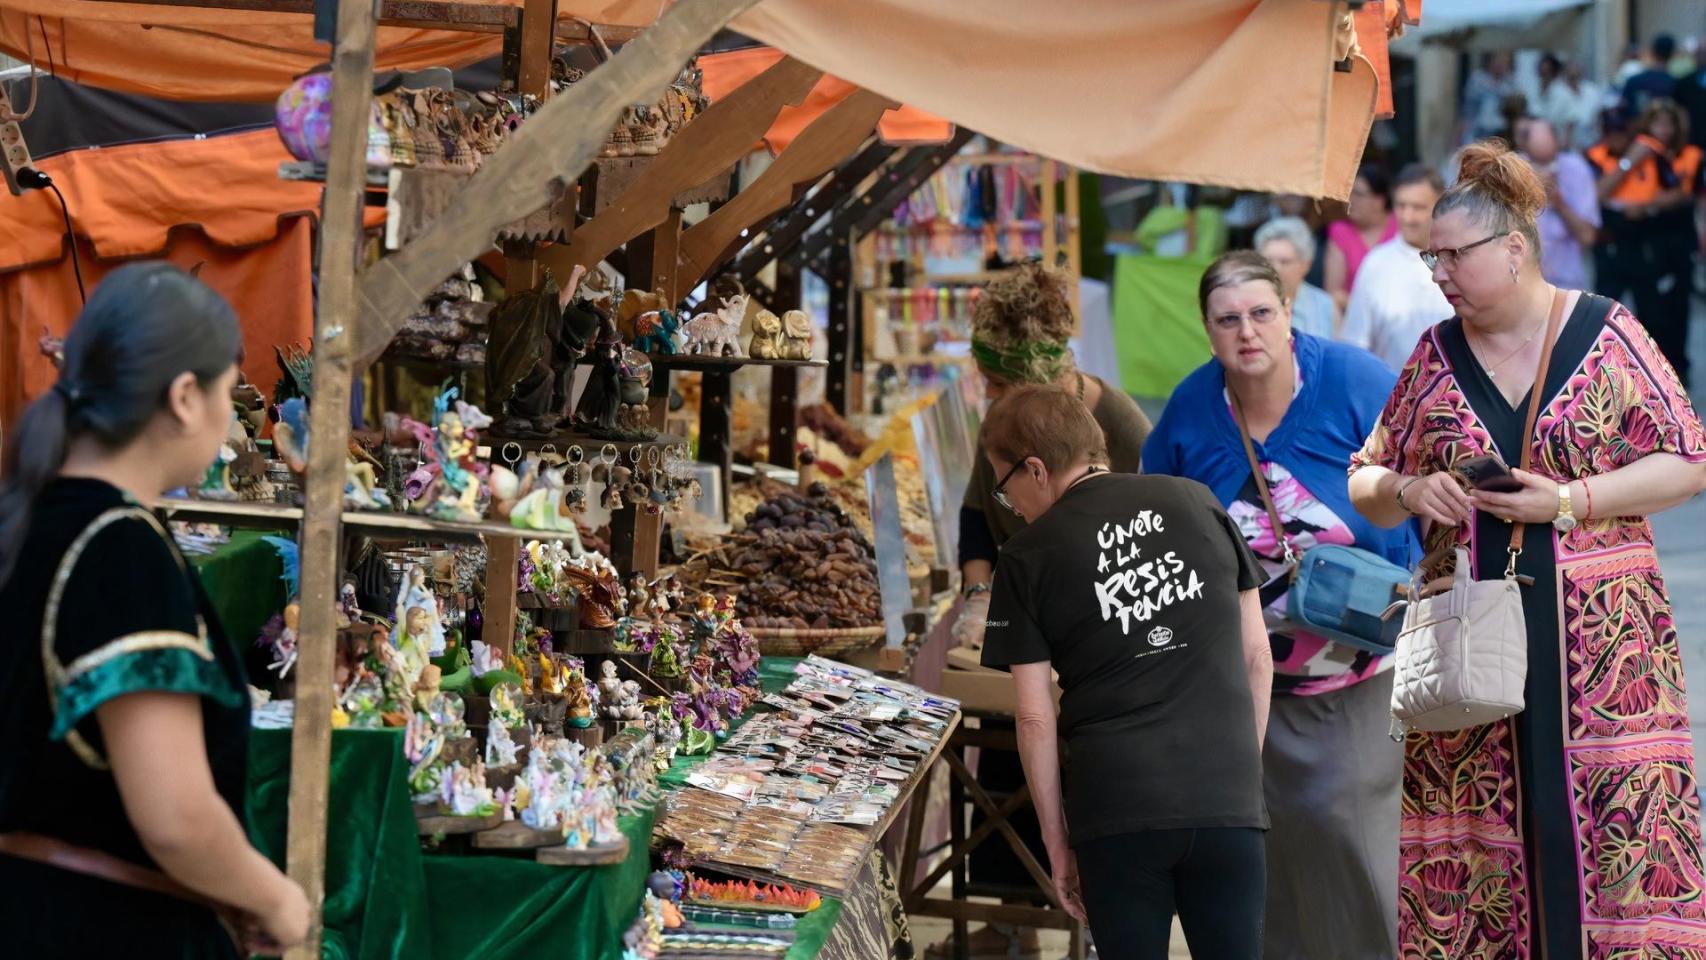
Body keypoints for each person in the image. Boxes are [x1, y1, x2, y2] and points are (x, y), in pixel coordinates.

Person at [1348, 140, 1706, 958]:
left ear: (1514, 249)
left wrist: (1572, 500)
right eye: (1428, 258)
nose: (1437, 274)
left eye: (1452, 257)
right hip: (1468, 649)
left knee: (1618, 833)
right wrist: (1410, 491)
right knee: (1477, 849)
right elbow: (1366, 475)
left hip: (1605, 653)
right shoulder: (1433, 357)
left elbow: (1688, 458)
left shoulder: (1609, 333)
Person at [0, 263, 311, 958]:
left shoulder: (30, 520)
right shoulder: (119, 549)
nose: (232, 415)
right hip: (100, 931)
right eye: (229, 392)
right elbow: (175, 816)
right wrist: (276, 899)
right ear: (183, 397)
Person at [1142, 251, 1417, 960]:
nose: (1247, 332)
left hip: (1361, 679)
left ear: (1290, 312)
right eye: (1227, 319)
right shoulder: (1190, 411)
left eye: (1262, 313)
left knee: (1353, 847)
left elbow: (1427, 478)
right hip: (1245, 694)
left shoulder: (1355, 383)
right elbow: (1156, 527)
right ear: (1206, 329)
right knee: (1268, 864)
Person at [979, 383, 1271, 960]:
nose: (1009, 505)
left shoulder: (1026, 557)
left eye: (1004, 487)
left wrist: (1055, 843)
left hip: (1117, 808)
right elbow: (1258, 659)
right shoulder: (1197, 500)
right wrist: (1240, 770)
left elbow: (1035, 716)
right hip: (1226, 796)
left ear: (1035, 470)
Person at [943, 262, 1151, 960]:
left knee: (1085, 769)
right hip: (1018, 605)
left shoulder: (1118, 421)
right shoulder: (1003, 424)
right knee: (1000, 768)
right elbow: (978, 524)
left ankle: (1091, 926)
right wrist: (977, 599)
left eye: (1004, 388)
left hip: (1101, 625)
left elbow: (1147, 529)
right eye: (992, 387)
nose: (993, 400)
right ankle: (1006, 924)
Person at [1589, 101, 1702, 386]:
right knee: (1605, 312)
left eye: (1667, 124)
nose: (1662, 131)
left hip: (1655, 242)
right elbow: (1597, 194)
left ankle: (1662, 373)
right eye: (1656, 124)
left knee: (1659, 312)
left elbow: (1679, 193)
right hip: (1615, 242)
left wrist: (1647, 207)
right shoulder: (1599, 156)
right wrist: (1630, 161)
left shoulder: (1666, 155)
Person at [1340, 164, 1454, 372]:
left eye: (1418, 207)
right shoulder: (1376, 264)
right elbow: (1355, 346)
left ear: (1441, 206)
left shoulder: (1460, 259)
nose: (1407, 217)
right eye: (1401, 206)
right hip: (1391, 396)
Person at [1520, 118, 1601, 289]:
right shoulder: (1515, 170)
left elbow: (1588, 236)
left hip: (1568, 284)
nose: (1545, 169)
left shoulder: (1576, 169)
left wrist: (1557, 201)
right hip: (1525, 284)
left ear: (1558, 145)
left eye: (1549, 162)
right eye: (1536, 162)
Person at [1324, 164, 1398, 314]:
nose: (1350, 200)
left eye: (1358, 194)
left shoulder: (1401, 226)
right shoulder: (1340, 231)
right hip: (1353, 316)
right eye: (1348, 194)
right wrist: (1371, 310)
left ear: (1380, 200)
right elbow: (1333, 293)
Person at [1255, 217, 1338, 340]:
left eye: (1284, 262)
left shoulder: (1324, 304)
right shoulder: (1247, 303)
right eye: (1267, 261)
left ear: (1306, 265)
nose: (1275, 269)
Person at [1461, 52, 1521, 145]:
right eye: (1497, 61)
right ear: (1490, 62)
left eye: (1503, 62)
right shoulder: (1478, 79)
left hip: (1500, 132)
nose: (1500, 65)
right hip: (1479, 130)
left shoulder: (1510, 83)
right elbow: (1468, 107)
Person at [1623, 34, 1679, 114]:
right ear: (1673, 54)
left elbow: (1625, 109)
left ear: (1652, 51)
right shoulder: (1676, 84)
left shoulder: (1634, 81)